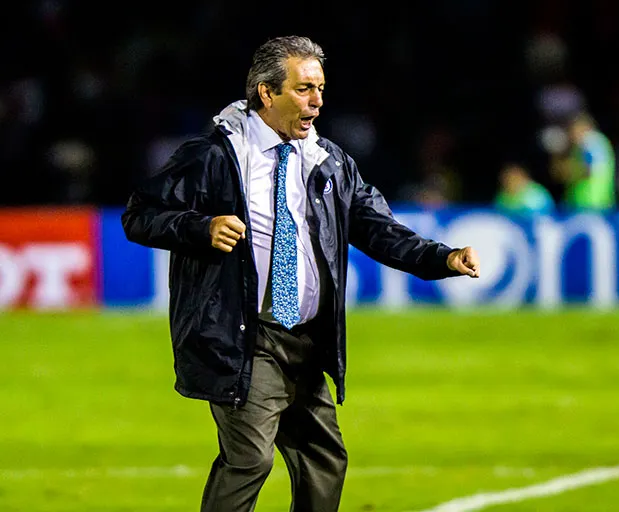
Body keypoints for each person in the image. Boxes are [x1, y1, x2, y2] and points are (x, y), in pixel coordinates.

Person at [121, 36, 480, 511]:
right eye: (305, 89)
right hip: (247, 335)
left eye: (321, 89)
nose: (318, 102)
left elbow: (377, 228)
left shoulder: (329, 162)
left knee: (323, 457)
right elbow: (140, 213)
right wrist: (199, 226)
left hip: (307, 339)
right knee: (249, 457)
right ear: (267, 93)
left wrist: (441, 258)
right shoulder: (215, 154)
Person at [552, 111, 616, 210]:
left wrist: (569, 171)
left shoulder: (592, 142)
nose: (571, 134)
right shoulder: (578, 147)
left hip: (593, 205)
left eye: (573, 129)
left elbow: (590, 171)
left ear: (584, 127)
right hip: (578, 204)